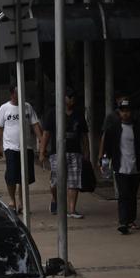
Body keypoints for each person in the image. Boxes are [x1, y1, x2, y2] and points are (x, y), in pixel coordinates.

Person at [100, 98, 140, 235]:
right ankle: (123, 222)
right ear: (119, 112)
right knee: (123, 194)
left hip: (136, 166)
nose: (125, 114)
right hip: (120, 166)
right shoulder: (114, 128)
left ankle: (131, 219)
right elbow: (107, 144)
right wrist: (103, 160)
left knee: (132, 194)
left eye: (127, 111)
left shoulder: (138, 128)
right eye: (122, 111)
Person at [39, 88, 89, 218]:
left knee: (74, 181)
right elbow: (46, 133)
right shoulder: (53, 113)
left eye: (73, 97)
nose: (71, 99)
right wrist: (42, 151)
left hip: (75, 152)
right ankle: (56, 200)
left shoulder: (78, 114)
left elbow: (84, 135)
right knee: (55, 181)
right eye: (69, 96)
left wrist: (86, 151)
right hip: (57, 152)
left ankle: (72, 209)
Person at [0, 85, 43, 213]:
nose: (20, 96)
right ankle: (12, 201)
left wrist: (42, 142)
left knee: (24, 177)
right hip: (11, 147)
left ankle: (21, 202)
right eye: (18, 93)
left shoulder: (27, 107)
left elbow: (35, 125)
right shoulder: (4, 108)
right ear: (12, 94)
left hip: (26, 147)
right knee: (11, 176)